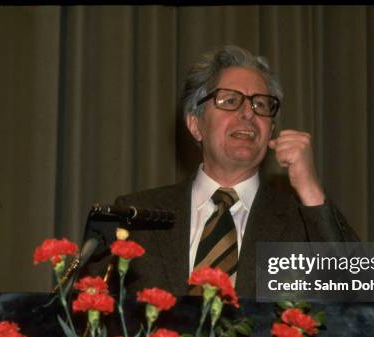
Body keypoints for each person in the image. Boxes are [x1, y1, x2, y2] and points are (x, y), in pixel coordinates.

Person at [86, 45, 358, 299]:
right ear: (195, 124)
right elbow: (83, 318)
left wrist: (310, 189)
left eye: (260, 104)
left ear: (271, 130)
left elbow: (364, 302)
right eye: (230, 101)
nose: (248, 114)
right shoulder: (136, 216)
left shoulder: (302, 223)